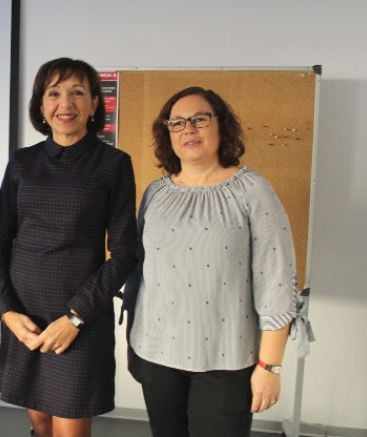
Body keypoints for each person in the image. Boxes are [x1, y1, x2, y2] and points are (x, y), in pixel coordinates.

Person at [123, 86, 315, 437]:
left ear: (221, 126)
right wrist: (132, 344)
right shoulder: (156, 192)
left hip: (226, 361)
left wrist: (270, 367)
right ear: (167, 134)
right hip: (155, 354)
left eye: (199, 119)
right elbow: (140, 274)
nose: (188, 129)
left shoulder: (252, 190)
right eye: (177, 122)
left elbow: (276, 281)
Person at [0, 58, 137, 437]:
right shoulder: (22, 162)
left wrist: (75, 317)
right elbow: (0, 240)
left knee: (70, 426)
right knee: (39, 423)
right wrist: (5, 310)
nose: (65, 103)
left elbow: (124, 253)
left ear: (92, 105)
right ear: (41, 105)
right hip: (26, 317)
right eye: (54, 93)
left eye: (77, 93)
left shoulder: (113, 164)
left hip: (79, 319)